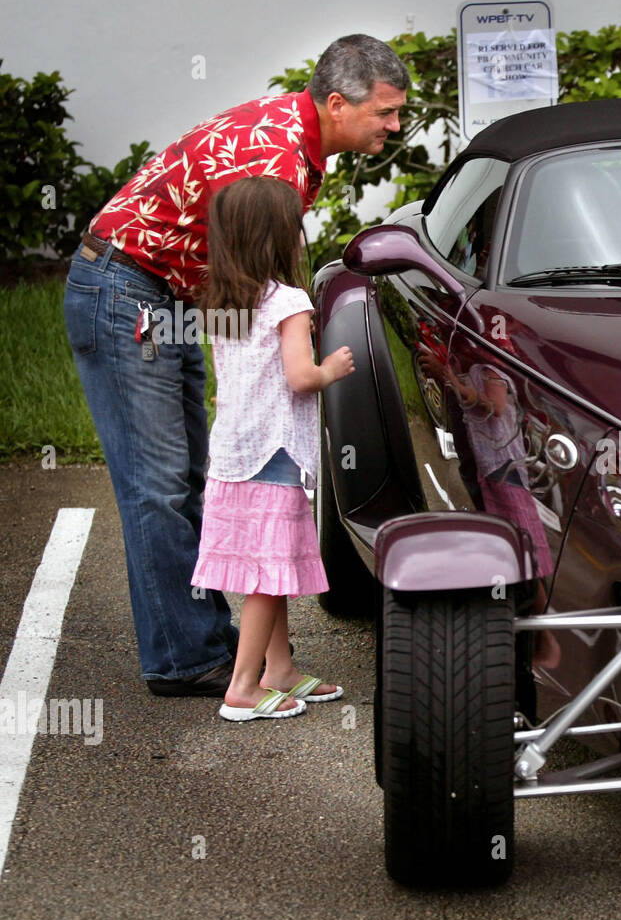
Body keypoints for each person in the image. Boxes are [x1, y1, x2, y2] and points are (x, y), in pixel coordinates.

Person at [64, 34, 408, 696]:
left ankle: (217, 644)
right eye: (386, 113)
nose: (395, 126)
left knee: (195, 475)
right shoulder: (276, 159)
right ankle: (186, 658)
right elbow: (251, 304)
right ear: (338, 103)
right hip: (125, 290)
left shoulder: (300, 139)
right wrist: (274, 383)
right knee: (160, 484)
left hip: (164, 292)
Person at [191, 176, 355, 720]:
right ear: (278, 237)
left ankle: (277, 668)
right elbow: (299, 377)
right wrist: (332, 368)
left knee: (267, 564)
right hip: (275, 452)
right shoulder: (289, 300)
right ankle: (242, 687)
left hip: (236, 452)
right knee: (265, 573)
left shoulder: (222, 302)